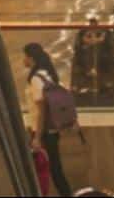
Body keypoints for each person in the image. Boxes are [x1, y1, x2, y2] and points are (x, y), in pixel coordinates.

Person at [22, 42, 75, 197]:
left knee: (44, 169)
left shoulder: (36, 79)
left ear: (30, 58)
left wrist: (37, 137)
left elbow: (41, 110)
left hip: (42, 131)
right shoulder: (48, 74)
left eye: (24, 56)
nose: (23, 60)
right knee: (53, 167)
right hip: (51, 129)